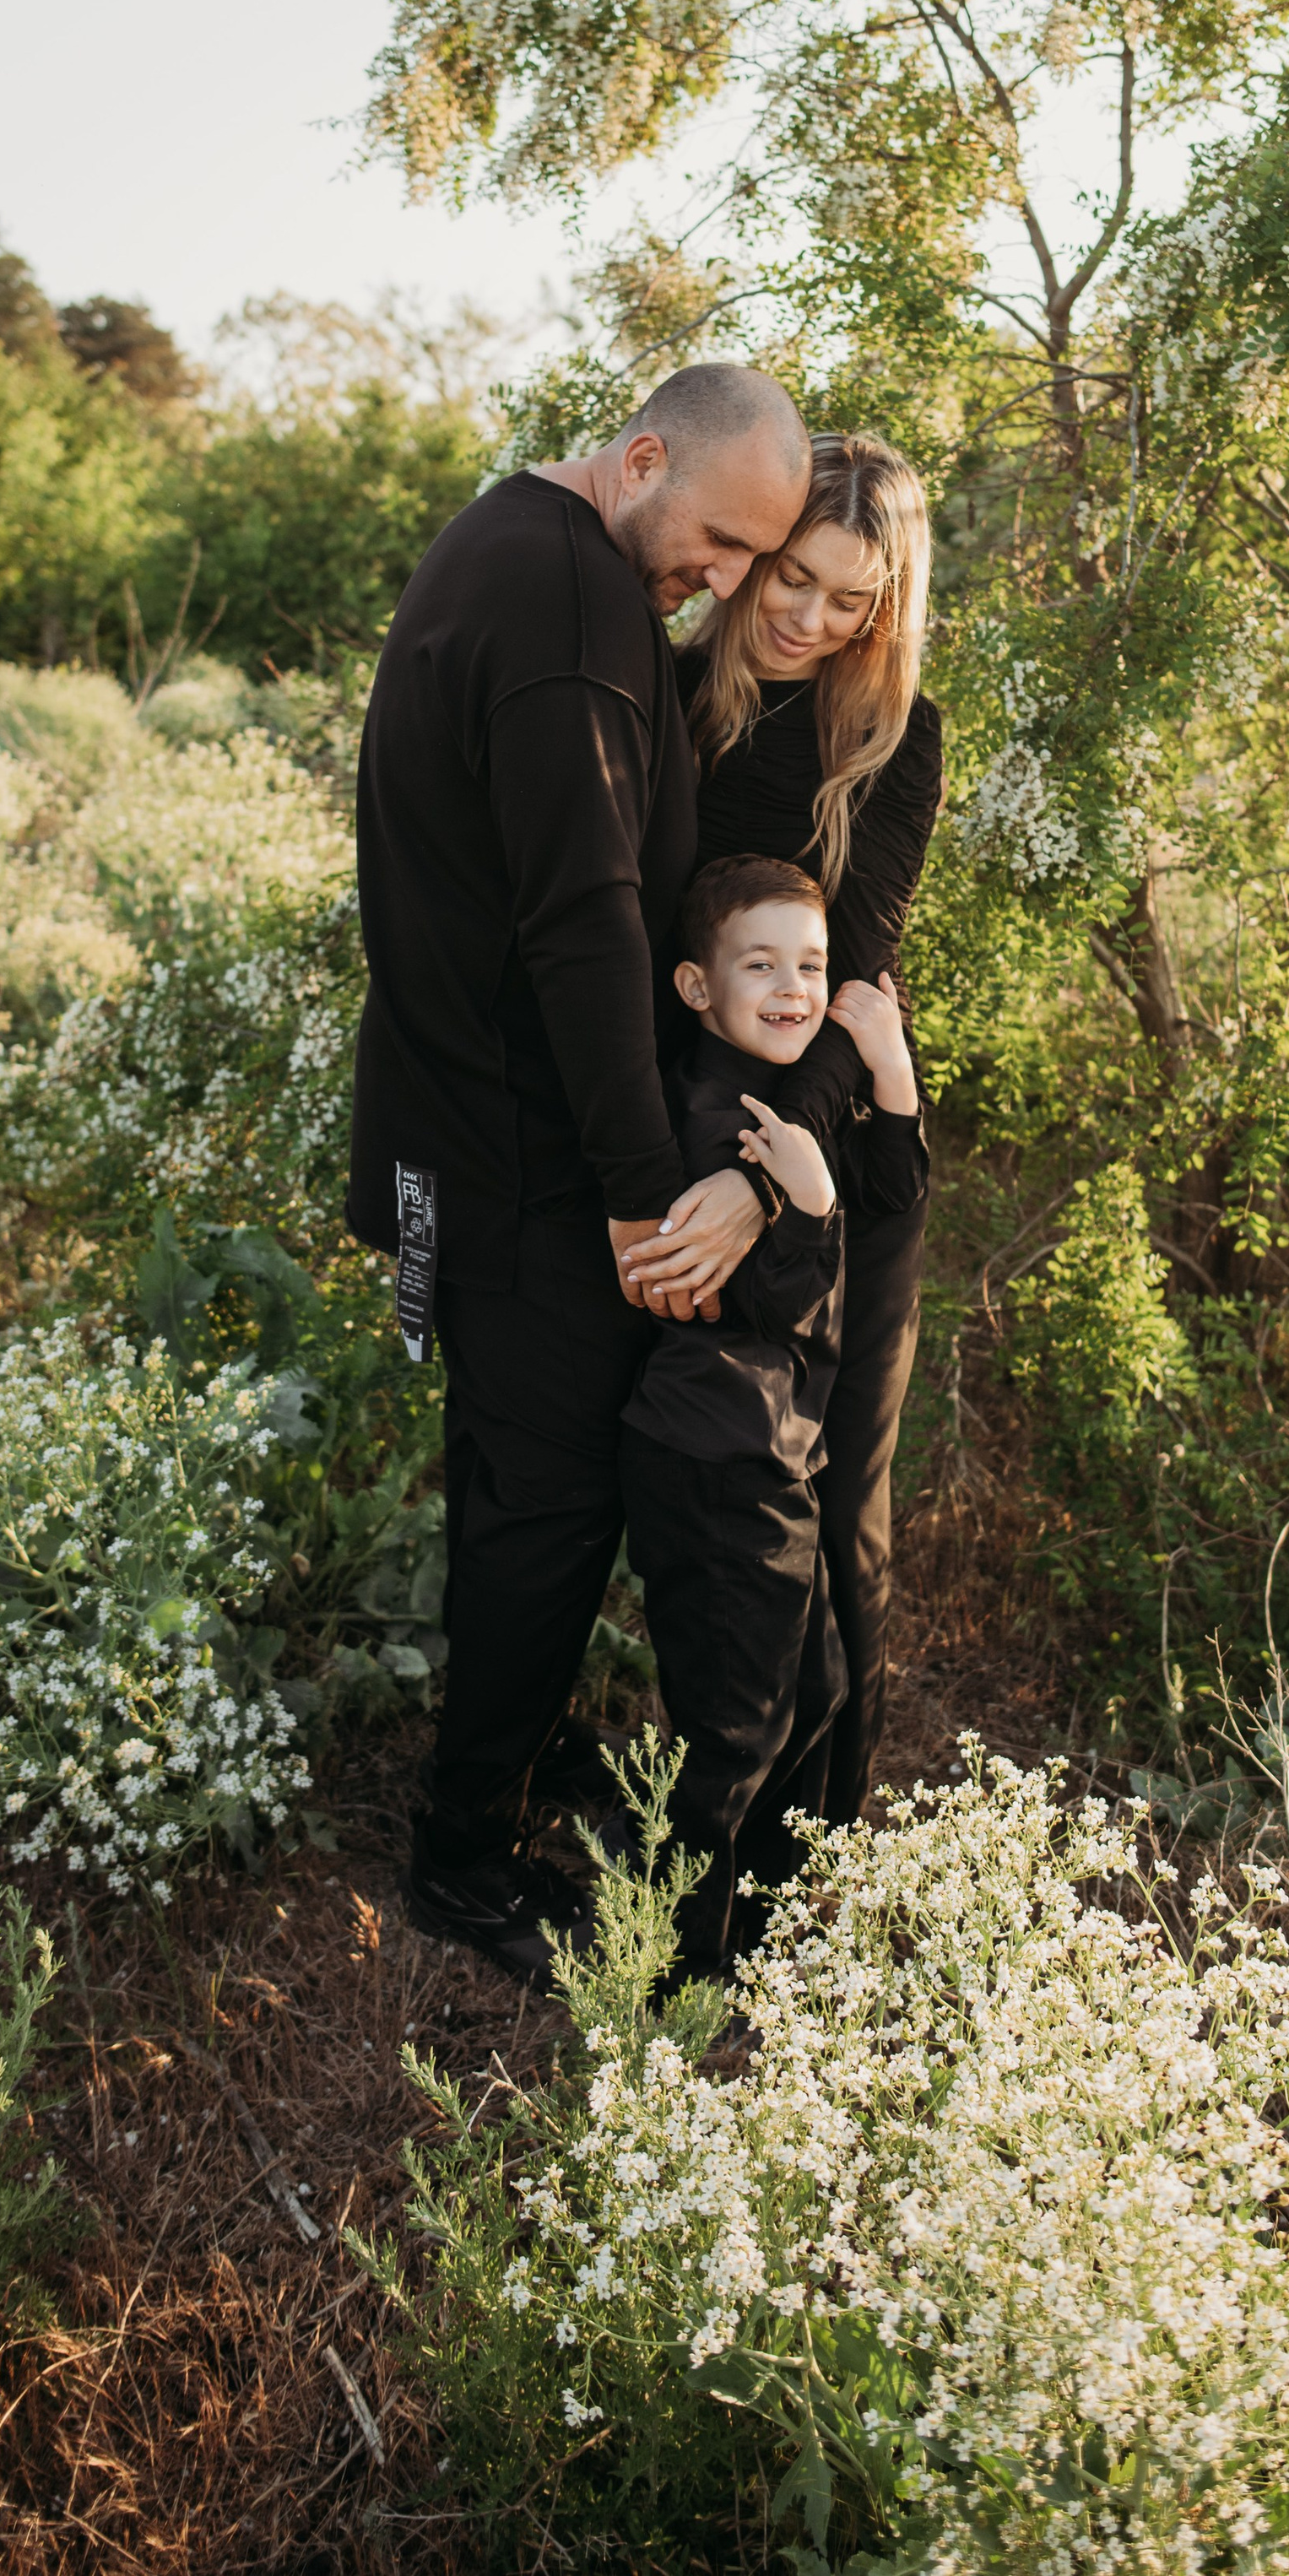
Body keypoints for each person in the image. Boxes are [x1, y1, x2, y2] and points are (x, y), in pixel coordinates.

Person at [348, 363, 813, 1983]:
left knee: (514, 1494)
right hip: (528, 1171)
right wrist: (638, 1190)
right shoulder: (566, 617)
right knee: (541, 1520)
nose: (731, 582)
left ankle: (495, 1806)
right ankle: (465, 1864)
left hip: (457, 1139)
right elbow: (581, 930)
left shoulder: (501, 547)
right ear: (636, 461)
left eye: (759, 560)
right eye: (723, 540)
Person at [650, 433, 940, 1825]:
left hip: (829, 1158)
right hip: (664, 1144)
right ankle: (695, 1804)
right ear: (752, 547)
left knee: (841, 1496)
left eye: (850, 601)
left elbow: (857, 983)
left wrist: (770, 1186)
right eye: (793, 576)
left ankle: (817, 1840)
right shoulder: (665, 692)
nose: (809, 618)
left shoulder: (894, 740)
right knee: (701, 1485)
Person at [620, 853, 925, 1975]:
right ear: (700, 987)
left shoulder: (787, 1101)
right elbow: (765, 1295)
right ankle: (675, 1961)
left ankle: (764, 1924)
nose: (796, 988)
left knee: (818, 1692)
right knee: (736, 1728)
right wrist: (806, 1200)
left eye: (813, 964)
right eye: (763, 965)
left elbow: (889, 1204)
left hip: (768, 1460)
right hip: (715, 1465)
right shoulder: (708, 1121)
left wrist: (886, 1072)